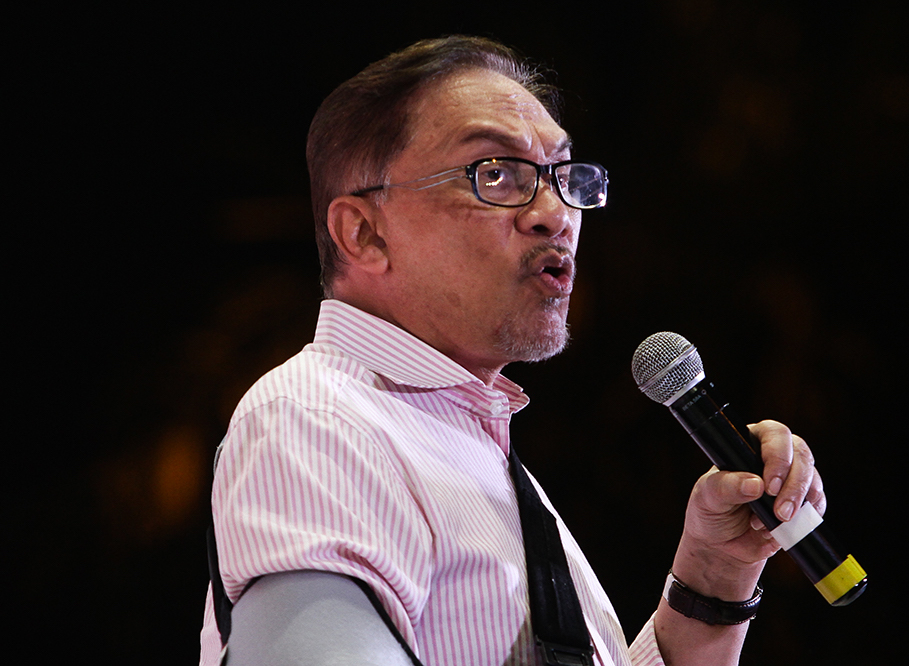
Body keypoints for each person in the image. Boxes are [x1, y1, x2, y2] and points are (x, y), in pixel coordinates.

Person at [199, 35, 825, 666]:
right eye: (495, 173)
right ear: (364, 232)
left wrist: (713, 577)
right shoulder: (316, 423)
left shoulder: (458, 443)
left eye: (563, 174)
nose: (555, 214)